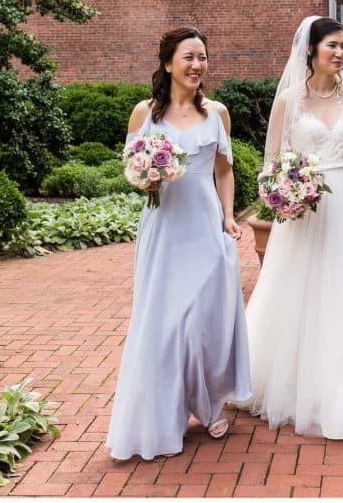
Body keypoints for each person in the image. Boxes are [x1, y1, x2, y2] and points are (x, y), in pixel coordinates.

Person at [242, 17, 343, 439]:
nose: (341, 53)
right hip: (306, 209)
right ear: (311, 51)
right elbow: (271, 163)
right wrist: (284, 192)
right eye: (332, 45)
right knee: (299, 289)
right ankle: (294, 384)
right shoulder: (289, 101)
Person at [106, 26, 251, 460]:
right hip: (164, 228)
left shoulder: (217, 113)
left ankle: (208, 405)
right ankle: (165, 411)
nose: (197, 65)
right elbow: (132, 172)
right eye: (188, 57)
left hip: (206, 225)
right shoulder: (144, 114)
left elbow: (224, 170)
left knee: (205, 322)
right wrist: (148, 175)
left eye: (203, 57)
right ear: (168, 63)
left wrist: (228, 216)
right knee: (166, 323)